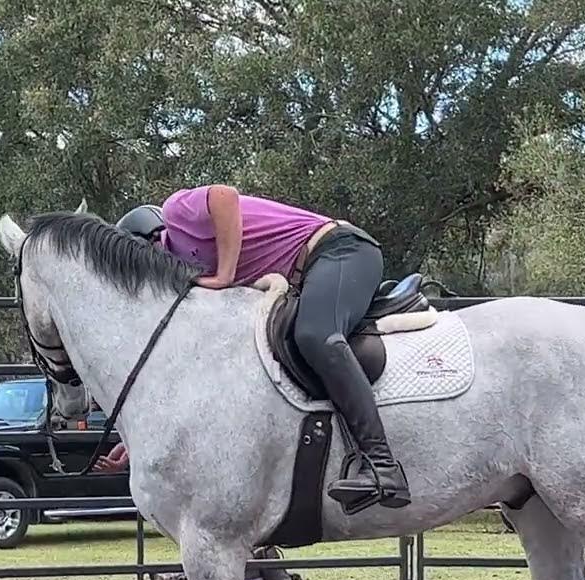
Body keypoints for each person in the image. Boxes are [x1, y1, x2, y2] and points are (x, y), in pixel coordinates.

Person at [115, 186, 412, 513]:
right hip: (309, 275)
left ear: (151, 242)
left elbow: (224, 197)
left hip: (338, 250)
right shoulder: (192, 278)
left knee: (316, 335)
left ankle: (382, 465)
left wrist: (225, 274)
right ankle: (262, 558)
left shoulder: (176, 211)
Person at [94, 442, 327, 580]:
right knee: (250, 554)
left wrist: (121, 460)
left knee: (257, 552)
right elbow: (134, 438)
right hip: (193, 505)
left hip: (203, 496)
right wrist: (122, 460)